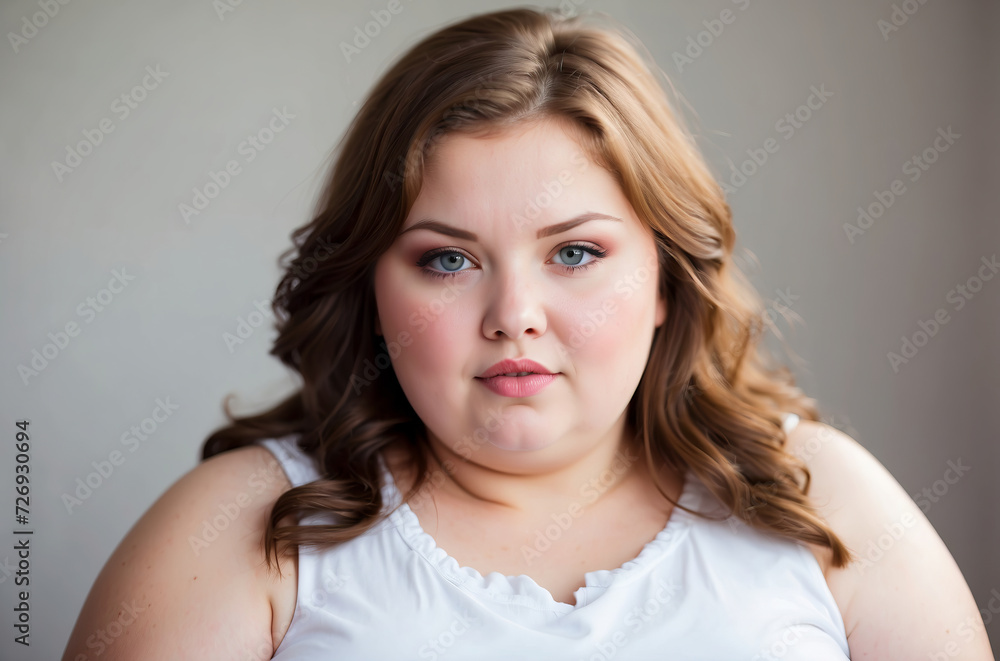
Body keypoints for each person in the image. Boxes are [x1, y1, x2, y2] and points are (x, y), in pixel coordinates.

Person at [62, 7, 994, 660]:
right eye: (448, 259)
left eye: (576, 253)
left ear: (667, 278)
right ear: (371, 289)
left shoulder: (819, 498)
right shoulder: (243, 531)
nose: (514, 313)